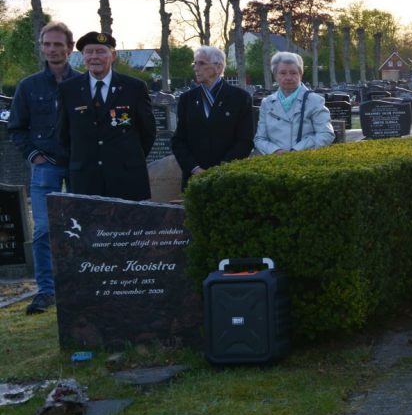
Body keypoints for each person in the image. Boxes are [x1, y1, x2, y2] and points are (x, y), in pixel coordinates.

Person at [8, 22, 81, 314]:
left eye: (57, 44)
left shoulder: (82, 83)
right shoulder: (28, 86)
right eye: (46, 44)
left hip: (78, 166)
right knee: (43, 231)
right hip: (45, 166)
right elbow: (16, 127)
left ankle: (79, 286)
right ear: (41, 47)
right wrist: (34, 155)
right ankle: (46, 291)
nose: (52, 49)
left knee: (80, 228)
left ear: (69, 48)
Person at [57, 32, 156, 202]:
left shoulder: (134, 87)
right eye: (89, 52)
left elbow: (148, 132)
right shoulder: (68, 89)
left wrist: (128, 159)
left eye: (101, 51)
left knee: (129, 227)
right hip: (86, 179)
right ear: (83, 56)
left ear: (113, 55)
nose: (94, 57)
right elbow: (63, 135)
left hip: (127, 178)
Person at [171, 46, 254, 188]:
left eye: (201, 63)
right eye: (195, 63)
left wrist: (221, 169)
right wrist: (195, 168)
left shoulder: (240, 98)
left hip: (228, 177)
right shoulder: (187, 99)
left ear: (219, 67)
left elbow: (245, 141)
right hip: (194, 178)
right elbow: (179, 140)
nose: (196, 68)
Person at [253, 52, 334, 155]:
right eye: (283, 73)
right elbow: (260, 139)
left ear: (301, 74)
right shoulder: (267, 103)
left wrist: (297, 151)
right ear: (275, 76)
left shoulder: (314, 101)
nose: (288, 77)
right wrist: (275, 151)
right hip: (274, 163)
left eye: (293, 73)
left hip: (305, 161)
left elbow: (326, 134)